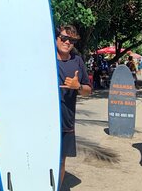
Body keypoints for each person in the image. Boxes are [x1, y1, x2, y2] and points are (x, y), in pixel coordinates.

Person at [55, 25, 92, 187]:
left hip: (66, 122)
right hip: (42, 122)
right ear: (56, 38)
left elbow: (88, 90)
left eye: (72, 40)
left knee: (60, 162)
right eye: (63, 38)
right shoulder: (43, 58)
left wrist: (77, 86)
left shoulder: (77, 61)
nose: (67, 42)